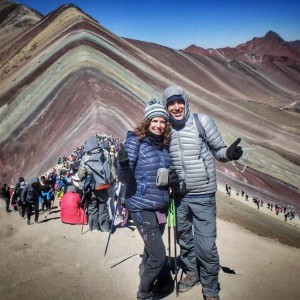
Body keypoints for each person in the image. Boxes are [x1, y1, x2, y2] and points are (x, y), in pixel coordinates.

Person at [162, 85, 243, 300]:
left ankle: (210, 289)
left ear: (186, 102)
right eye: (171, 103)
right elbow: (163, 159)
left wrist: (230, 154)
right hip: (179, 196)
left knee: (206, 246)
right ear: (166, 107)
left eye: (179, 102)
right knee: (184, 239)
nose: (176, 107)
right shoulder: (165, 129)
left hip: (203, 194)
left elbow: (218, 151)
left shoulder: (202, 122)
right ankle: (192, 273)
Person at [117, 98, 173, 300]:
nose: (158, 125)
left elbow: (168, 171)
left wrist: (172, 178)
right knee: (158, 254)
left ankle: (150, 276)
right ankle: (144, 294)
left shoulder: (165, 145)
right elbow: (124, 178)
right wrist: (122, 164)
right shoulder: (135, 141)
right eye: (154, 121)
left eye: (162, 121)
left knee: (151, 250)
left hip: (160, 205)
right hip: (140, 206)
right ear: (147, 122)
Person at [77, 135, 112, 232]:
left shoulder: (85, 158)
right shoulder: (105, 154)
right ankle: (104, 227)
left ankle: (94, 228)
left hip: (92, 188)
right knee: (103, 206)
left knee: (92, 208)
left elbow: (81, 175)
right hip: (104, 186)